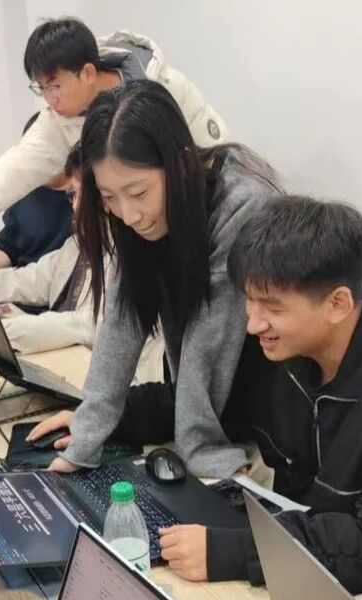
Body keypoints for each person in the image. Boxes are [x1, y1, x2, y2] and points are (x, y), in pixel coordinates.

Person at [129, 195, 362, 590]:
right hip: (302, 547)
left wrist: (238, 551)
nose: (253, 324)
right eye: (249, 300)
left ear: (337, 303)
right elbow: (210, 401)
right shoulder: (283, 345)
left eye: (272, 307)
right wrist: (105, 418)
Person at [26, 81, 279, 478]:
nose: (129, 215)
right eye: (110, 198)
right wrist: (86, 437)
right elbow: (120, 321)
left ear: (179, 162)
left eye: (138, 192)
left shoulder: (243, 204)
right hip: (208, 407)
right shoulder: (140, 217)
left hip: (267, 425)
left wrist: (201, 451)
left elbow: (209, 339)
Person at [0, 17, 229, 257]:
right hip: (132, 241)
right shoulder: (60, 120)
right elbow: (19, 163)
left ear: (88, 73)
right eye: (41, 88)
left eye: (55, 86)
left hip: (197, 228)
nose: (49, 99)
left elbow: (220, 162)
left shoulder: (168, 88)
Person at [0, 144, 163, 384]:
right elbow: (31, 279)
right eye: (72, 194)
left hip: (112, 382)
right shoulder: (78, 244)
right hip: (68, 368)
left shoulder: (132, 251)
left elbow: (93, 324)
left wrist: (13, 330)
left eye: (79, 194)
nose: (75, 205)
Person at [0, 113, 74, 275]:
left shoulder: (80, 196)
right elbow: (9, 246)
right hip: (20, 281)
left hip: (57, 281)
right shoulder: (23, 191)